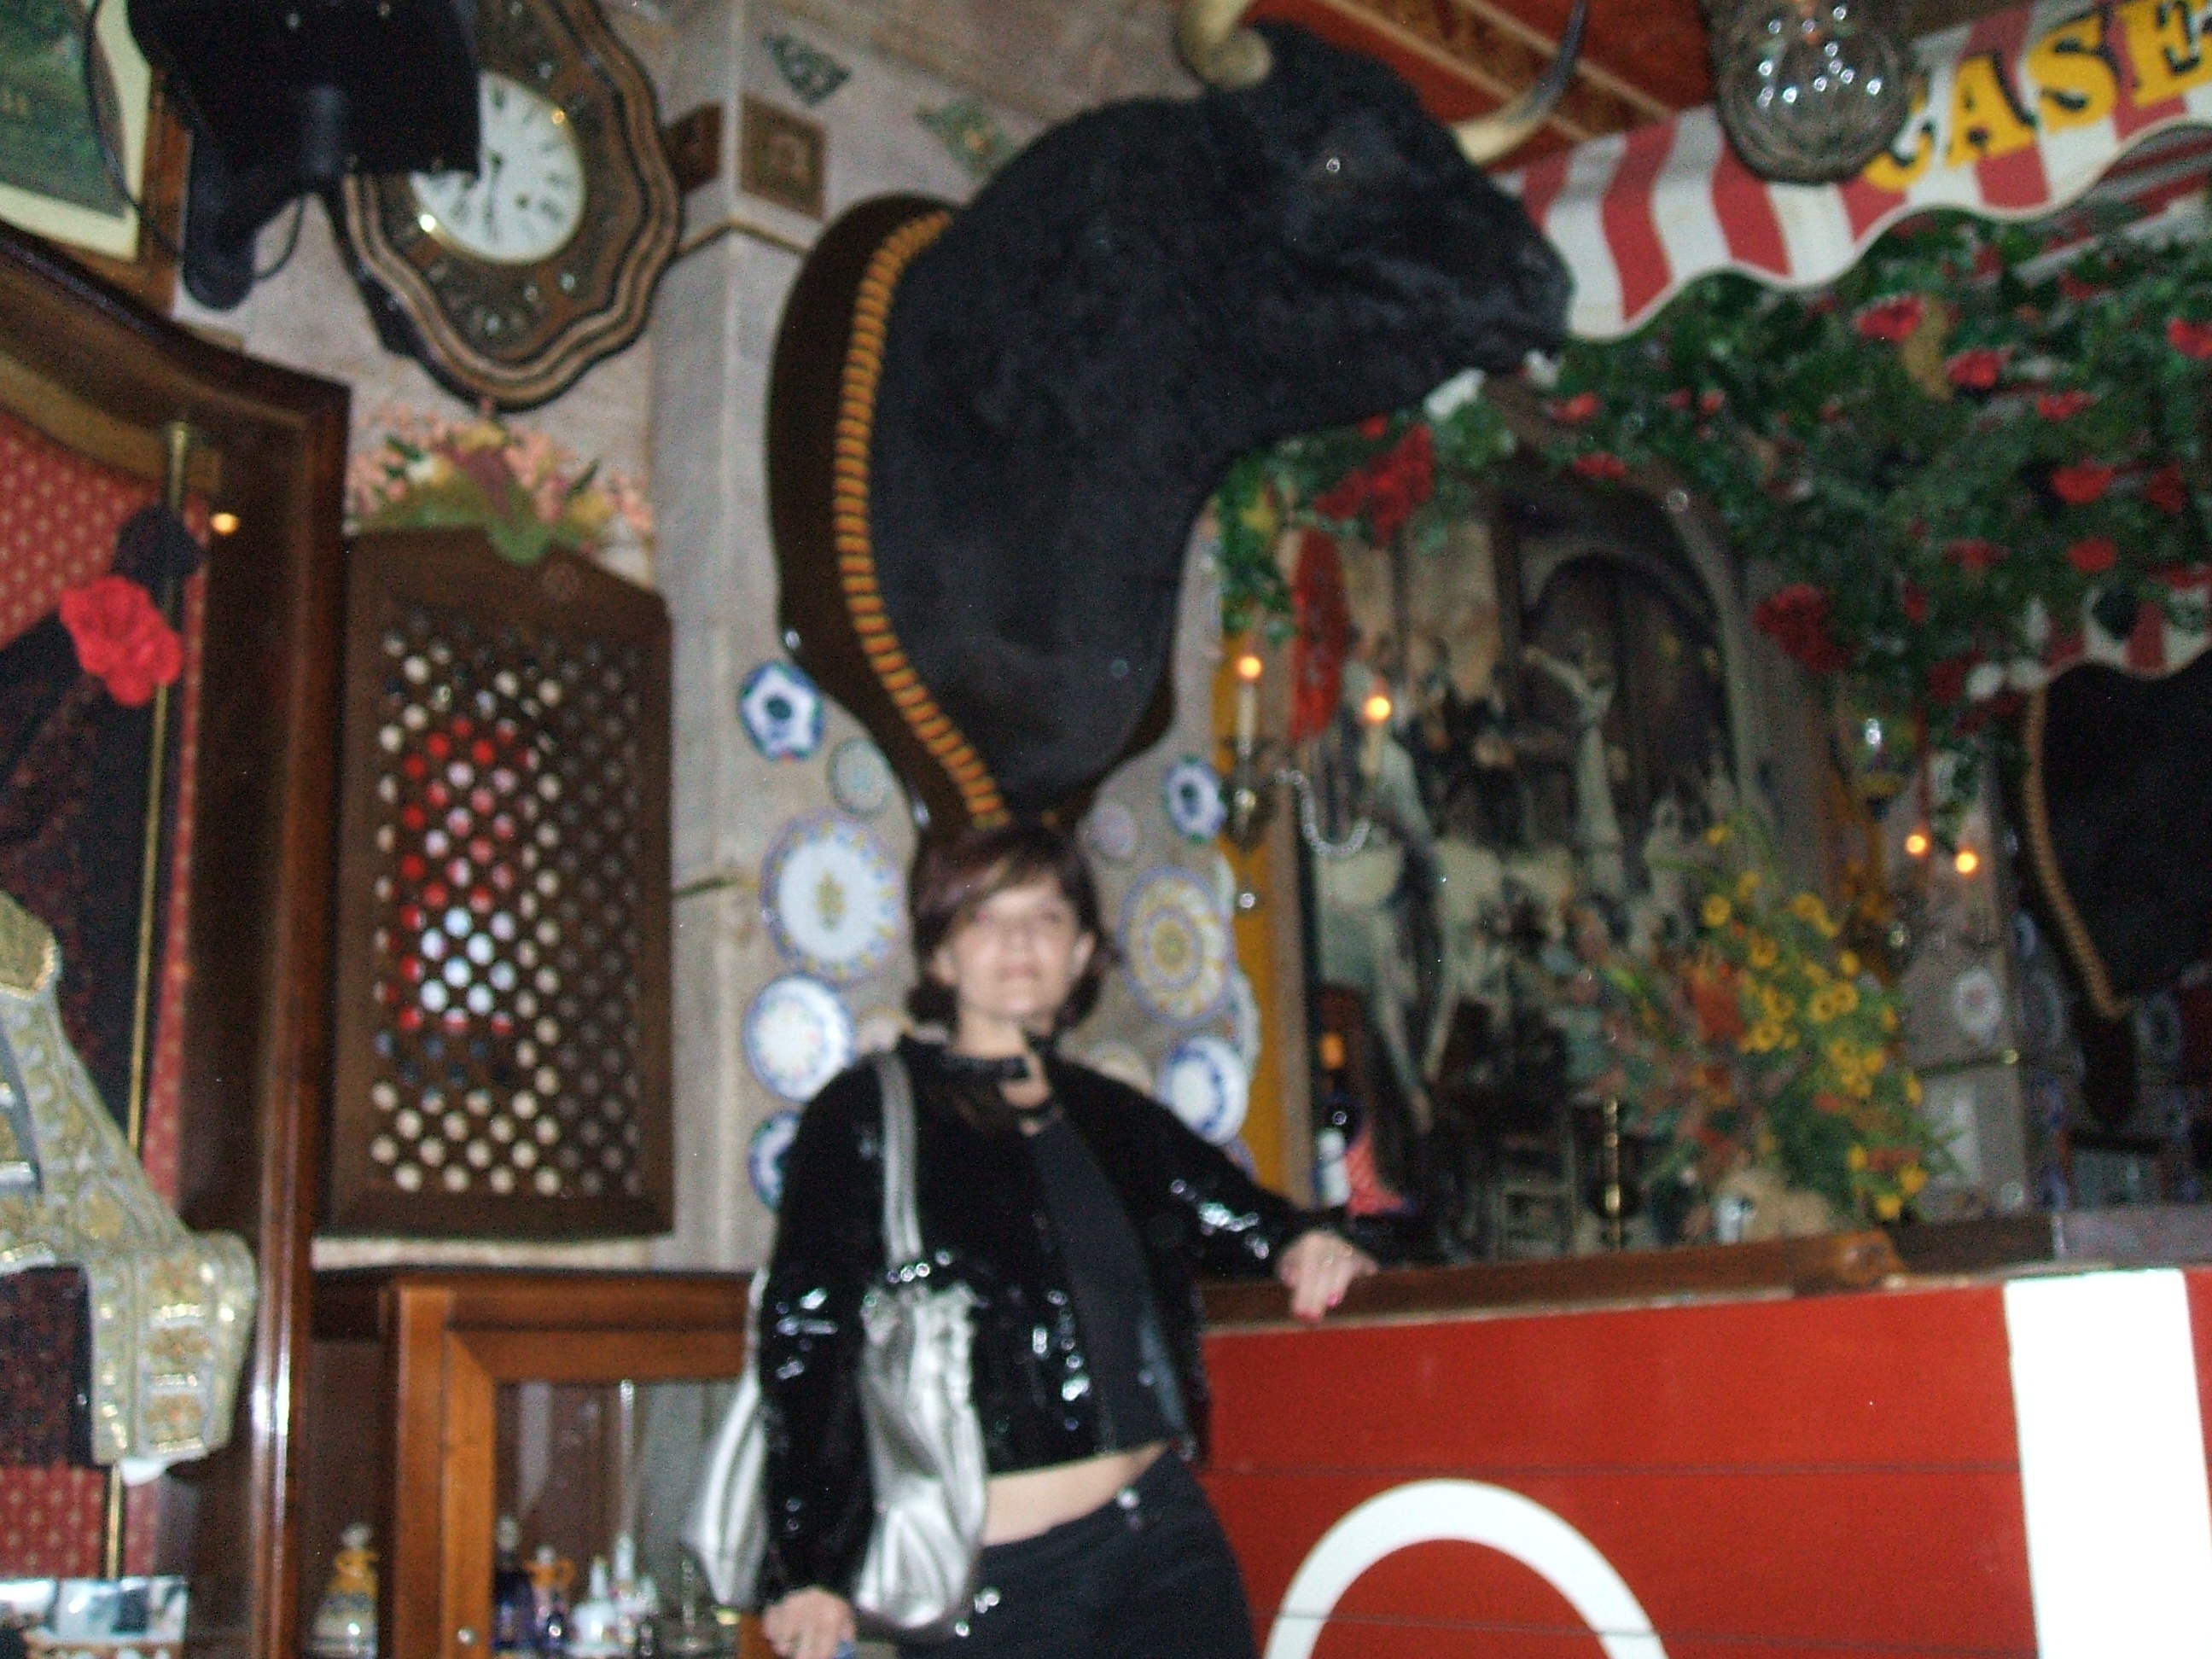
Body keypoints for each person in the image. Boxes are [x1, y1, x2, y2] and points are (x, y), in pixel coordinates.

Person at [757, 822, 1377, 1659]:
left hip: (1164, 1544)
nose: (1019, 941)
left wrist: (1307, 1241)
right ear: (941, 956)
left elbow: (1244, 1216)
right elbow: (807, 1332)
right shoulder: (868, 1111)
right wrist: (809, 1561)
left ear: (1083, 952)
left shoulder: (1115, 1115)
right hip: (995, 1580)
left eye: (1046, 917)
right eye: (984, 917)